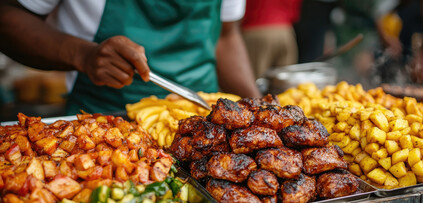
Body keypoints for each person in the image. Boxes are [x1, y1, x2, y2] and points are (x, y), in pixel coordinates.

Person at [0, 0, 261, 115]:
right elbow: (8, 16)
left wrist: (259, 107)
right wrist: (84, 55)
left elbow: (226, 36)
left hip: (204, 121)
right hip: (105, 120)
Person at [240, 0, 302, 79]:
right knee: (283, 81)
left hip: (256, 30)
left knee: (255, 79)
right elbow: (295, 11)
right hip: (285, 31)